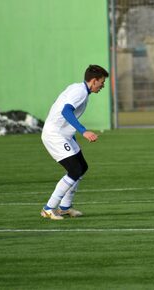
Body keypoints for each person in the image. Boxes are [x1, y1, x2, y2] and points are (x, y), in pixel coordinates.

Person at [40, 65, 109, 220]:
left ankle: (65, 207)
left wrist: (72, 135)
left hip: (64, 134)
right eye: (102, 82)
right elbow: (65, 111)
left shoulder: (78, 88)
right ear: (93, 81)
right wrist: (83, 131)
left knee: (82, 167)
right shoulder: (80, 92)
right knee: (75, 170)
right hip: (55, 135)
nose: (103, 86)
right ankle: (49, 208)